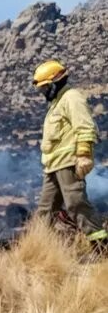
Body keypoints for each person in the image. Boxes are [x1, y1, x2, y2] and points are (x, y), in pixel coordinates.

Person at [32, 60, 107, 248]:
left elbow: (85, 127)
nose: (44, 92)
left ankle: (102, 246)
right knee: (45, 210)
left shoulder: (71, 97)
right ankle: (37, 249)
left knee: (76, 204)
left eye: (45, 87)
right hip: (53, 166)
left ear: (56, 81)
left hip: (68, 163)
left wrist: (83, 155)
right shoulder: (56, 103)